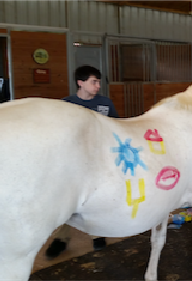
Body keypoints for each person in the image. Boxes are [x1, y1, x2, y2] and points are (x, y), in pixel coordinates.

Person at [45, 65, 119, 258]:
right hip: (73, 162)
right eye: (93, 81)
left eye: (98, 82)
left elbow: (116, 127)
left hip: (99, 160)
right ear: (80, 82)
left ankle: (97, 235)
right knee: (68, 201)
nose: (97, 86)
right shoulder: (66, 104)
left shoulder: (105, 103)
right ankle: (61, 239)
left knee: (96, 199)